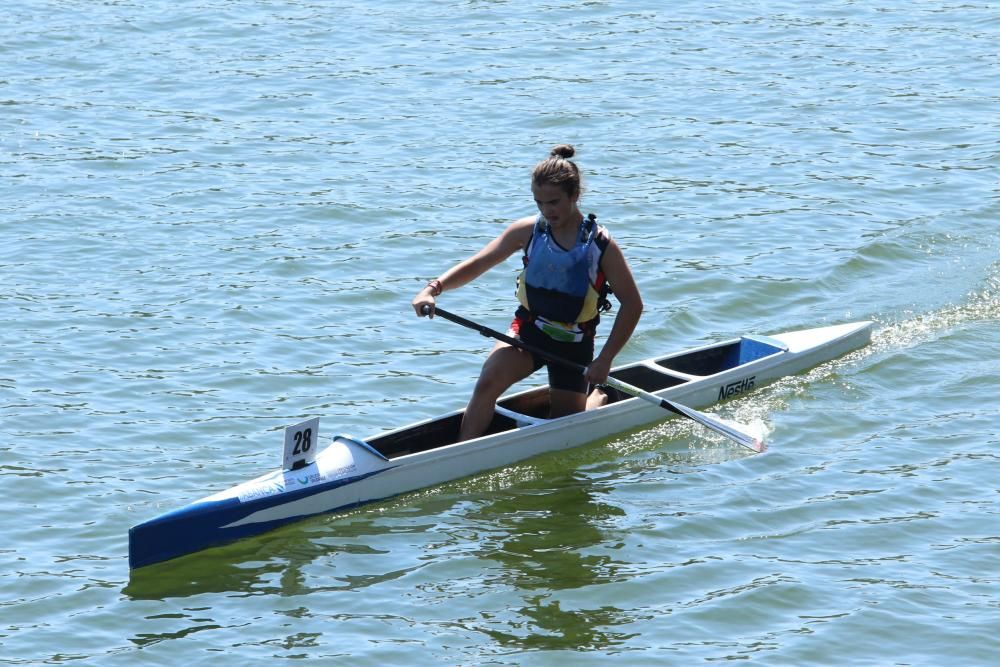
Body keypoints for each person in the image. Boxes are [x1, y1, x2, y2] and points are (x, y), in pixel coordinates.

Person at [411, 144, 643, 441]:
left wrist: (605, 360)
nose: (547, 211)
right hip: (529, 331)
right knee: (487, 382)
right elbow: (478, 263)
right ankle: (461, 449)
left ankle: (596, 399)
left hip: (574, 343)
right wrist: (432, 289)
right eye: (539, 203)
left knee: (565, 428)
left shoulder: (600, 246)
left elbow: (633, 305)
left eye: (554, 202)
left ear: (575, 195)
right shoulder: (528, 231)